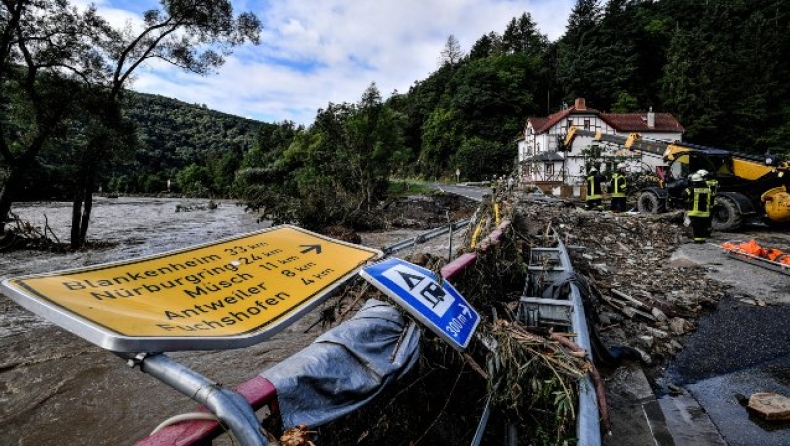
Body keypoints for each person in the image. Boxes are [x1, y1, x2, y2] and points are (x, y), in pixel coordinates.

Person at [683, 170, 713, 243]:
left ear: (694, 181)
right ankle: (702, 239)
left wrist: (687, 201)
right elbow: (711, 199)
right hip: (705, 212)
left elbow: (683, 195)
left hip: (695, 212)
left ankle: (697, 240)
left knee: (697, 227)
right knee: (703, 226)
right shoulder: (708, 189)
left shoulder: (691, 189)